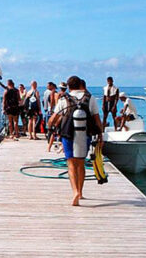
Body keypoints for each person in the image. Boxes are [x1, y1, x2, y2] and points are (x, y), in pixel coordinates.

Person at [54, 76, 103, 206]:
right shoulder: (90, 98)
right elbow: (97, 119)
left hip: (68, 135)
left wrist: (50, 127)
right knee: (81, 163)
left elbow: (54, 118)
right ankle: (80, 192)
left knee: (71, 163)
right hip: (85, 135)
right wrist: (101, 135)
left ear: (69, 87)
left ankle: (75, 191)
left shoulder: (64, 99)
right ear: (81, 85)